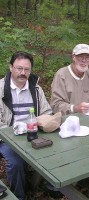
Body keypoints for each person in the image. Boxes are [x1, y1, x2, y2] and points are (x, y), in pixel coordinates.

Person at [0, 51, 52, 200]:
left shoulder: (36, 89)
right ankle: (19, 196)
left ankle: (50, 186)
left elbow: (47, 111)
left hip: (34, 133)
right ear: (11, 68)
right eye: (19, 68)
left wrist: (43, 122)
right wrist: (14, 135)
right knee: (16, 162)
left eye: (27, 69)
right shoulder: (1, 89)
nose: (23, 73)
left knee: (55, 149)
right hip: (7, 137)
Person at [50, 44, 89, 115]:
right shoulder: (61, 75)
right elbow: (55, 105)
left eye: (87, 57)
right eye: (80, 57)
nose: (84, 60)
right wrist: (74, 108)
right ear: (73, 57)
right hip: (67, 119)